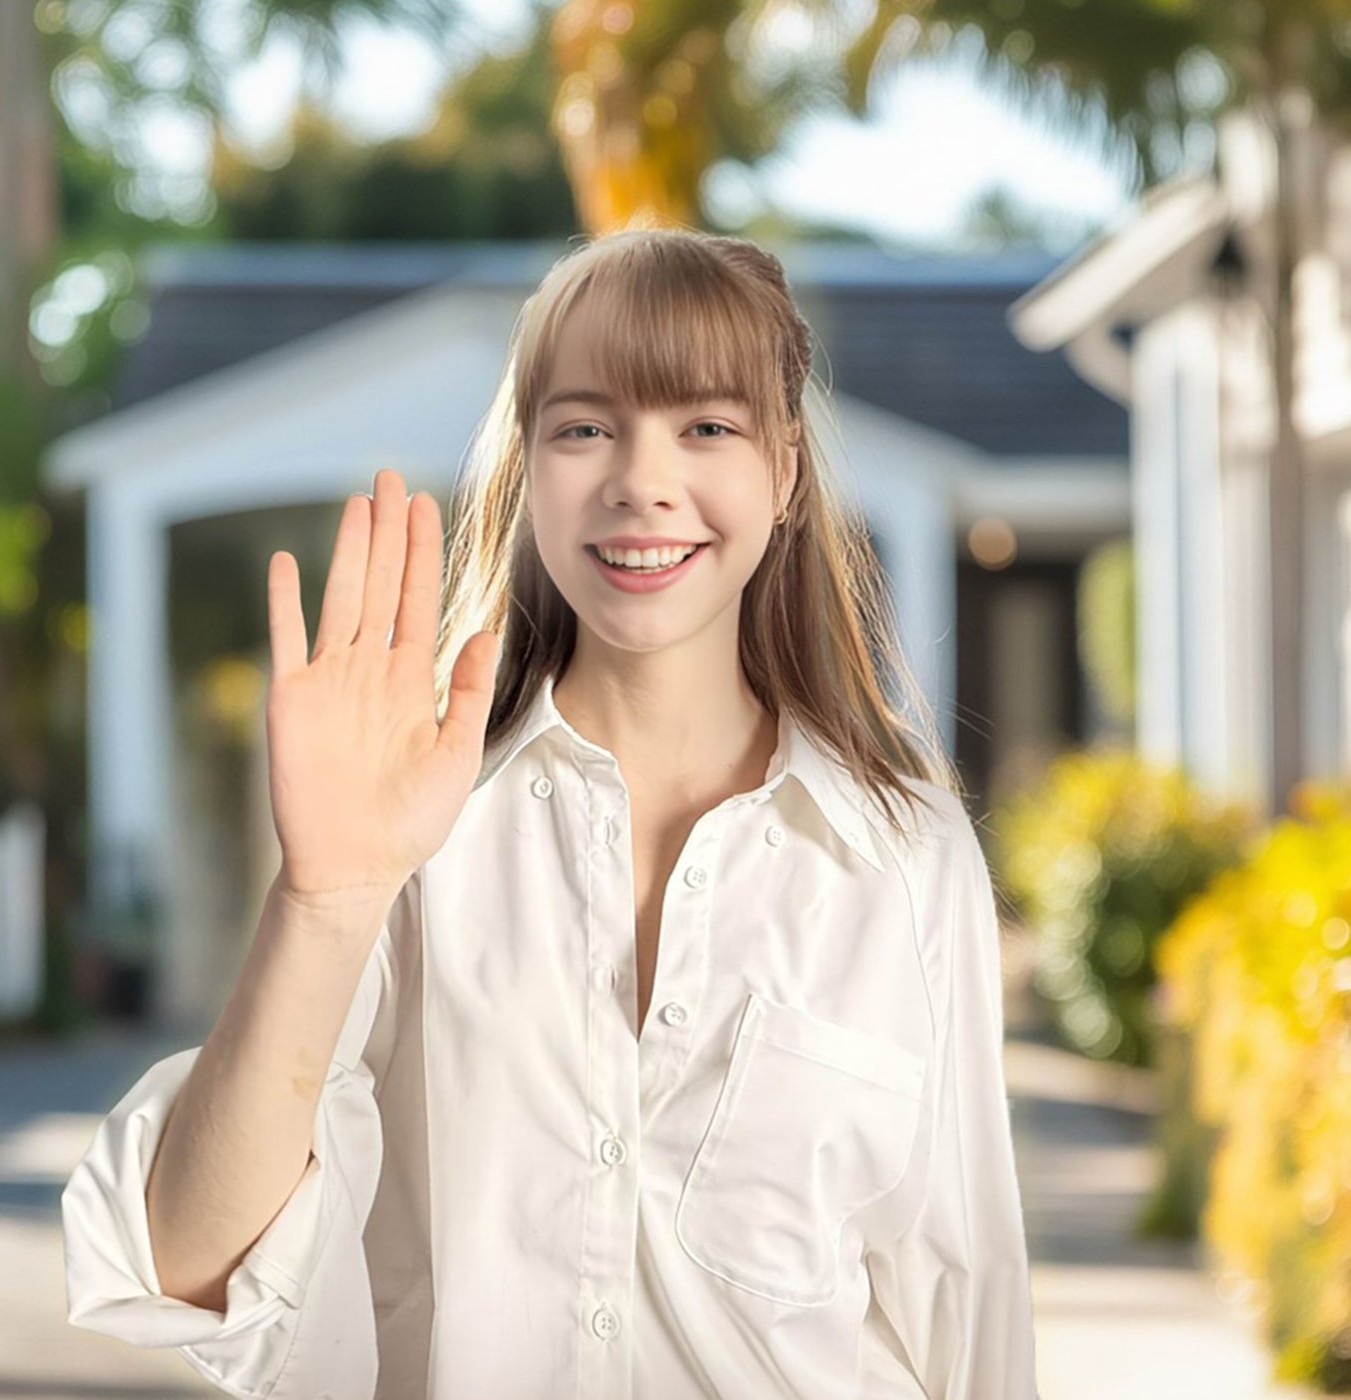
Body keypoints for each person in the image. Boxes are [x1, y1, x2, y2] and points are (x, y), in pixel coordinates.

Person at [60, 225, 1041, 1399]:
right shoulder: (412, 825)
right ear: (527, 468)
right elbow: (188, 1264)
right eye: (584, 426)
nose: (642, 480)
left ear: (783, 470)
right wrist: (324, 895)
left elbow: (962, 1297)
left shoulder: (904, 856)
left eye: (706, 426)